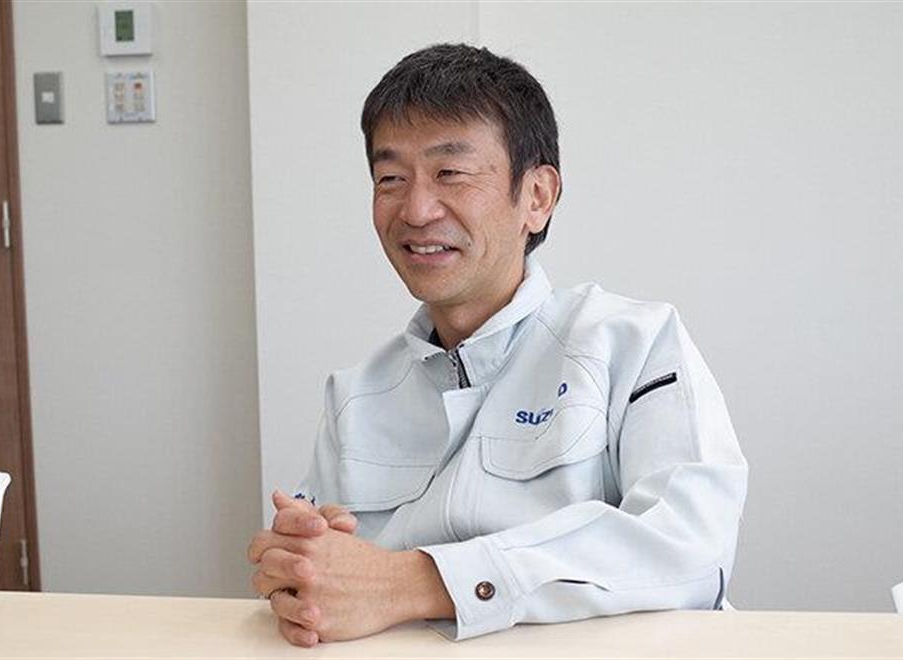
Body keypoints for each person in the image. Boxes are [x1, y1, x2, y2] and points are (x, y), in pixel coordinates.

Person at [247, 43, 748, 646]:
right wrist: (297, 570)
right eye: (390, 179)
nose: (416, 209)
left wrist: (417, 582)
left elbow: (691, 550)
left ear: (536, 197)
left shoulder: (635, 344)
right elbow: (328, 581)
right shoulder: (356, 395)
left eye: (450, 173)